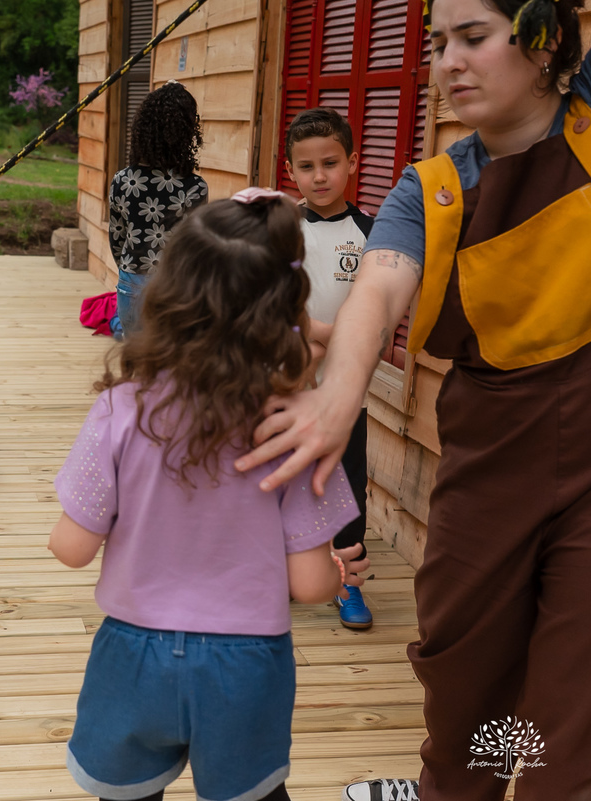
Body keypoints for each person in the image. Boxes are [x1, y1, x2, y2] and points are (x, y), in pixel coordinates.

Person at [232, 0, 591, 797]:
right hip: (493, 444)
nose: (447, 63)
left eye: (474, 38)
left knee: (574, 683)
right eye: (436, 45)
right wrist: (336, 398)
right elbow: (382, 282)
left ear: (545, 42)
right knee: (466, 656)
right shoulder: (429, 187)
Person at [50, 190, 361, 801]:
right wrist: (333, 568)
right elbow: (312, 586)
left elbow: (71, 547)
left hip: (132, 656)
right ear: (287, 310)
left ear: (169, 295)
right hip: (246, 665)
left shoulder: (122, 408)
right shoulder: (292, 428)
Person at [284, 107, 376, 630]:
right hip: (285, 390)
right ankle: (279, 574)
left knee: (347, 488)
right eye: (307, 166)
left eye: (330, 163)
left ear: (352, 163)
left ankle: (349, 585)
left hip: (346, 396)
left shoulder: (372, 234)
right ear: (291, 170)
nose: (319, 176)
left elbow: (376, 313)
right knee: (282, 483)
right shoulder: (280, 230)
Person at [109, 80, 208, 336]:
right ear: (187, 133)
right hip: (176, 284)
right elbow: (195, 246)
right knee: (170, 360)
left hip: (132, 280)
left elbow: (117, 237)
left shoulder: (122, 180)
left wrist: (130, 267)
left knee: (137, 355)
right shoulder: (196, 187)